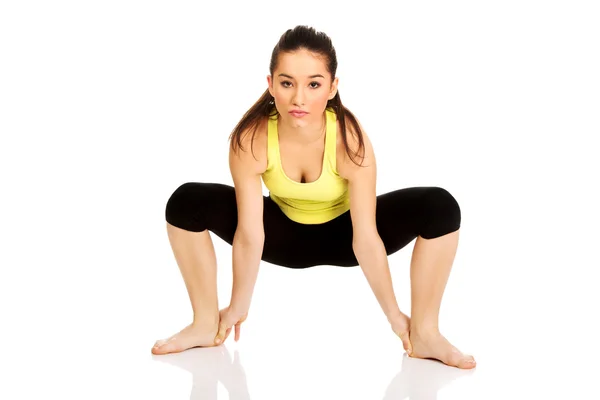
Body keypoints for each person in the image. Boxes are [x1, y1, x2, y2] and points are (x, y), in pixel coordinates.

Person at [151, 25, 476, 369]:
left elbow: (365, 238)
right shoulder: (252, 138)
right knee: (186, 201)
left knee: (440, 207)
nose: (299, 98)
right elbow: (249, 233)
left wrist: (396, 318)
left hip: (345, 236)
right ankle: (204, 323)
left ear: (333, 87)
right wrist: (237, 306)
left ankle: (425, 333)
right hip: (283, 236)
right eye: (287, 83)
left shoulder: (349, 140)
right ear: (271, 84)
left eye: (314, 84)